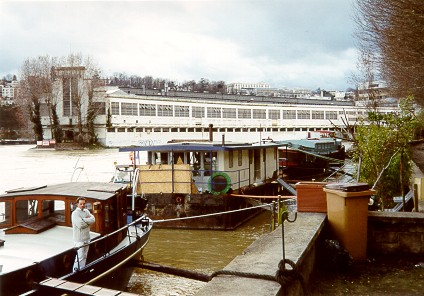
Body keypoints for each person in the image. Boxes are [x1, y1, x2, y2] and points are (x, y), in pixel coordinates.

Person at [72, 197, 95, 271]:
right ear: (77, 204)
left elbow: (93, 220)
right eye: (80, 204)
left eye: (84, 204)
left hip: (87, 238)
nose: (82, 205)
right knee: (80, 256)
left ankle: (82, 269)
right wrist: (88, 223)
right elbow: (80, 225)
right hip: (79, 239)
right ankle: (75, 271)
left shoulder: (86, 211)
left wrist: (84, 220)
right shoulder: (75, 213)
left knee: (84, 256)